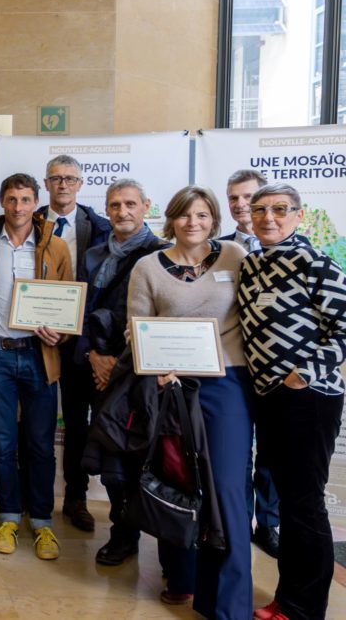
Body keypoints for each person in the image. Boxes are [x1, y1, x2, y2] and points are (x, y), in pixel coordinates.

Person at [128, 185, 252, 614]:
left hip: (227, 383)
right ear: (171, 220)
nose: (193, 223)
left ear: (213, 219)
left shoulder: (235, 256)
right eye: (184, 214)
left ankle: (230, 606)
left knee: (228, 489)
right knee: (180, 482)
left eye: (202, 215)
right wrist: (155, 367)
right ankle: (185, 580)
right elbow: (135, 328)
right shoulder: (147, 267)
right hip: (172, 388)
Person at [238, 183, 346, 620]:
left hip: (309, 399)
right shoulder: (251, 264)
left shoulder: (315, 262)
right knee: (287, 501)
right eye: (260, 209)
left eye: (280, 209)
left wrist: (305, 374)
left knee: (304, 503)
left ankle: (305, 609)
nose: (269, 217)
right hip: (268, 398)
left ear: (299, 215)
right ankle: (287, 598)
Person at [0, 173, 72, 561]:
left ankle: (42, 521)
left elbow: (68, 300)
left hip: (39, 355)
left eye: (25, 199)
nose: (18, 207)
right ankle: (9, 516)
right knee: (3, 442)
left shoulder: (55, 246)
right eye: (11, 199)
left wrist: (61, 333)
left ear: (35, 202)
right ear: (2, 201)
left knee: (40, 443)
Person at [80, 178, 168, 566]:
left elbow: (160, 316)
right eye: (115, 205)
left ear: (146, 206)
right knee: (111, 456)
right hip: (96, 367)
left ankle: (157, 537)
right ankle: (123, 533)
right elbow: (80, 309)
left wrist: (118, 363)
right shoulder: (93, 254)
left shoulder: (161, 255)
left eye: (130, 204)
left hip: (138, 372)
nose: (122, 211)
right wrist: (93, 356)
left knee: (139, 455)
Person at [36, 154, 110, 532]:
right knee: (36, 421)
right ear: (45, 184)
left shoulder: (99, 228)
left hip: (82, 342)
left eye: (69, 178)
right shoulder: (28, 222)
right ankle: (35, 498)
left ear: (80, 184)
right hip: (36, 337)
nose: (62, 184)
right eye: (55, 178)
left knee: (79, 423)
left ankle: (76, 498)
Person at [220, 168, 280, 559]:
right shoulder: (219, 250)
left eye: (249, 197)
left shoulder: (287, 248)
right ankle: (238, 521)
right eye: (234, 198)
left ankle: (269, 522)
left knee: (272, 449)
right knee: (236, 451)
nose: (241, 205)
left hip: (274, 369)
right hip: (232, 366)